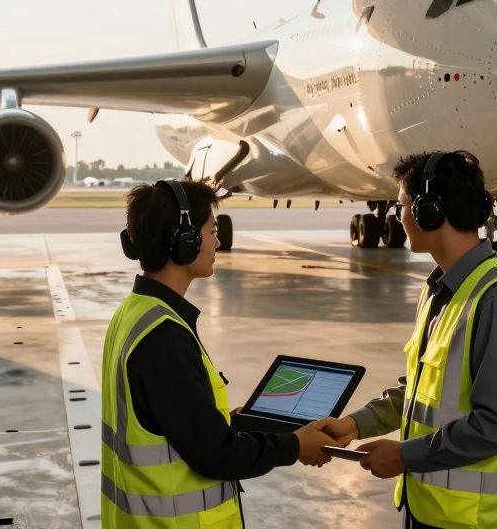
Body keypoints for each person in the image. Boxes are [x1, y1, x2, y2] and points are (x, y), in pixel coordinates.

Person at [321, 151, 497, 529]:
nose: (399, 217)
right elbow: (420, 392)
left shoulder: (496, 301)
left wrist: (407, 456)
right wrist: (356, 425)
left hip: (482, 520)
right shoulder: (442, 290)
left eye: (403, 206)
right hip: (433, 510)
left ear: (430, 212)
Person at [101, 179, 337, 528]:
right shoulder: (165, 337)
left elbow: (166, 421)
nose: (219, 242)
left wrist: (226, 422)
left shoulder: (135, 313)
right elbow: (215, 456)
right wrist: (294, 446)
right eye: (212, 231)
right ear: (186, 242)